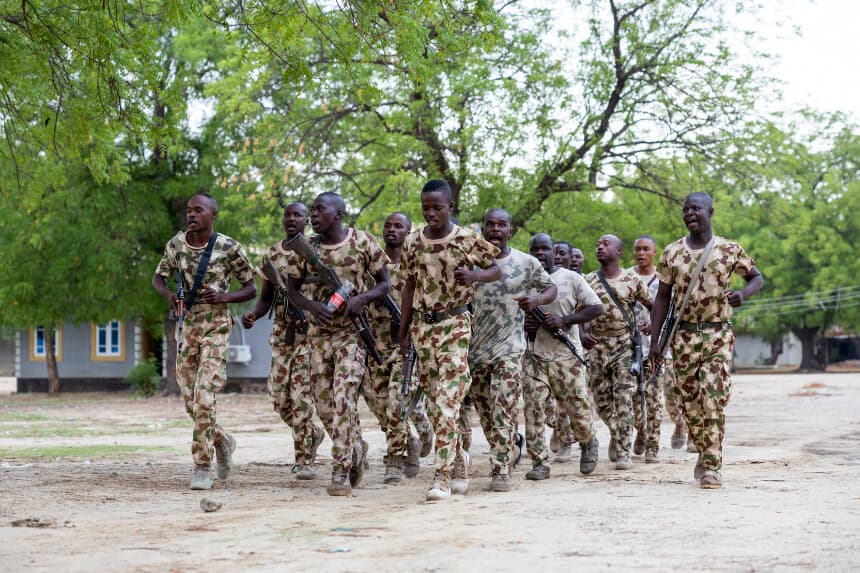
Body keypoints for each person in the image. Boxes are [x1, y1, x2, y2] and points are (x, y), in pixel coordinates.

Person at [650, 192, 762, 489]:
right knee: (690, 405)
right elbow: (662, 298)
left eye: (695, 208)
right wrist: (655, 342)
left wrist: (743, 294)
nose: (689, 213)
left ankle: (712, 466)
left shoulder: (729, 249)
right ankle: (703, 449)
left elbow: (756, 277)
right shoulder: (672, 252)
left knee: (712, 400)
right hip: (683, 337)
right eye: (685, 209)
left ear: (710, 212)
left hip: (718, 334)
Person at [398, 179, 501, 502]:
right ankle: (458, 461)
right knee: (435, 405)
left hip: (455, 325)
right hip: (423, 329)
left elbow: (495, 270)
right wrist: (403, 331)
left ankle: (441, 476)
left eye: (437, 208)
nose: (430, 213)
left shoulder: (466, 238)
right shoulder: (413, 242)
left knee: (447, 402)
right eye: (425, 208)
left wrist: (475, 276)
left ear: (450, 207)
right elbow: (409, 287)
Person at [286, 192, 390, 496]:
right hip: (318, 336)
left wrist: (362, 299)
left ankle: (340, 471)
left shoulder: (363, 241)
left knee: (344, 399)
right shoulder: (306, 248)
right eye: (312, 210)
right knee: (324, 406)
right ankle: (354, 446)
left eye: (320, 209)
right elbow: (292, 291)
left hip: (352, 335)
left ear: (339, 214)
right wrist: (313, 306)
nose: (314, 215)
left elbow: (384, 283)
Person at [152, 193, 257, 490]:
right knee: (191, 402)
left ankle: (202, 465)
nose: (192, 215)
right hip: (187, 326)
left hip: (217, 325)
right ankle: (222, 439)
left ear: (213, 214)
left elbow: (251, 288)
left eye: (198, 210)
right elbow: (158, 278)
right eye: (189, 210)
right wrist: (169, 295)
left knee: (205, 396)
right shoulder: (176, 245)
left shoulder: (229, 247)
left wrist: (225, 296)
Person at [465, 209, 557, 492]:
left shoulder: (526, 262)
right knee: (487, 414)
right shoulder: (470, 261)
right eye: (490, 224)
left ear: (510, 231)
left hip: (510, 349)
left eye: (501, 225)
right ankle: (509, 447)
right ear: (483, 229)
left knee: (503, 408)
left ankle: (500, 469)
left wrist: (537, 300)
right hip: (475, 351)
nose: (495, 229)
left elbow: (551, 287)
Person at [240, 202, 325, 480]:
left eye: (297, 215)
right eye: (287, 214)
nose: (291, 218)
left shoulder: (317, 250)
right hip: (281, 336)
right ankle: (312, 434)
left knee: (301, 399)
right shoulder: (272, 253)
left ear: (306, 220)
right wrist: (253, 315)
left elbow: (331, 290)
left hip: (310, 336)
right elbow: (266, 297)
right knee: (278, 398)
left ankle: (304, 460)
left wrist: (316, 313)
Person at [522, 233, 603, 480]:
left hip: (566, 356)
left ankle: (588, 441)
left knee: (577, 409)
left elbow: (596, 307)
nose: (540, 253)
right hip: (534, 356)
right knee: (533, 409)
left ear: (552, 252)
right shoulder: (523, 279)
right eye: (535, 249)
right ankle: (539, 462)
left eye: (544, 249)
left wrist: (565, 320)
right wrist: (525, 325)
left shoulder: (571, 278)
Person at [361, 212, 424, 484]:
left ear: (408, 233)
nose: (392, 230)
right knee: (379, 406)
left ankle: (395, 460)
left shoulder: (414, 265)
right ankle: (410, 440)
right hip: (375, 345)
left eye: (399, 226)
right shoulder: (373, 268)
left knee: (396, 404)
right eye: (388, 225)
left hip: (405, 346)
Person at [582, 235, 652, 470]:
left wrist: (651, 325)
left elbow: (654, 305)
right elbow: (579, 310)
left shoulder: (632, 280)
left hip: (624, 345)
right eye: (598, 244)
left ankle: (623, 451)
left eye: (606, 244)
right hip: (596, 346)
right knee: (602, 403)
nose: (600, 247)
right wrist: (583, 333)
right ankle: (617, 432)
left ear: (619, 251)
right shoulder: (588, 280)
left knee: (623, 400)